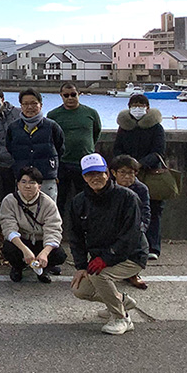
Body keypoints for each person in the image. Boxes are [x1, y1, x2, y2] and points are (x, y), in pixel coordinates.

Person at [67, 153, 148, 335]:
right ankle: (120, 300)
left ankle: (121, 317)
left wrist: (107, 258)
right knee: (80, 289)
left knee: (98, 274)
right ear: (84, 177)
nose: (95, 178)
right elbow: (76, 236)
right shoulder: (79, 202)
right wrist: (80, 266)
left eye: (99, 173)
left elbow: (131, 234)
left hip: (131, 254)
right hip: (101, 256)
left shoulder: (128, 197)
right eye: (90, 174)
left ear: (107, 173)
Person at [113, 94, 166, 261]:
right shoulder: (124, 127)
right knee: (125, 208)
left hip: (150, 173)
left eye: (141, 105)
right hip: (126, 173)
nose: (138, 108)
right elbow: (117, 149)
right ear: (129, 107)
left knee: (153, 209)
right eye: (134, 105)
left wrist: (140, 164)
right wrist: (126, 165)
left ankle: (153, 247)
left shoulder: (156, 127)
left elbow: (159, 152)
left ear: (148, 108)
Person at [0, 167, 67, 283]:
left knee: (59, 254)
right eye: (23, 182)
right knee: (9, 248)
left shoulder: (48, 203)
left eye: (32, 182)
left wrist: (45, 252)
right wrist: (25, 250)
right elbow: (8, 228)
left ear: (39, 186)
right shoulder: (9, 201)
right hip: (22, 240)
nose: (27, 186)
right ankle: (18, 267)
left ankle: (44, 268)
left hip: (41, 241)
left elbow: (54, 229)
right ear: (18, 184)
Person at [47, 83, 102, 223]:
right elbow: (50, 138)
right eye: (66, 95)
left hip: (85, 165)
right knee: (59, 200)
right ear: (61, 96)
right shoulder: (53, 115)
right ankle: (57, 233)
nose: (70, 98)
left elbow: (96, 133)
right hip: (62, 164)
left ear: (79, 94)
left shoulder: (91, 113)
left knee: (86, 199)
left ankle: (85, 229)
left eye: (73, 94)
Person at [7, 88, 65, 202]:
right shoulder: (14, 127)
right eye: (25, 104)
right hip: (23, 177)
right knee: (24, 210)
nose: (29, 107)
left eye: (34, 103)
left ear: (41, 105)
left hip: (46, 176)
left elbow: (60, 148)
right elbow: (10, 147)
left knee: (48, 210)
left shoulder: (51, 126)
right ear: (21, 106)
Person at [110, 155, 152, 290]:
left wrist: (141, 228)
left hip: (133, 226)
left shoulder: (141, 189)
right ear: (114, 173)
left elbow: (146, 211)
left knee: (138, 244)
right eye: (123, 172)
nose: (127, 176)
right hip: (111, 225)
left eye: (131, 173)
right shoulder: (108, 187)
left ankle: (133, 274)